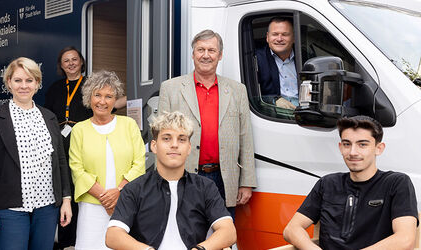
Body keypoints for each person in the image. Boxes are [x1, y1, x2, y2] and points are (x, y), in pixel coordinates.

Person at [158, 29, 256, 219]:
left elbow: (245, 137)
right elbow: (162, 137)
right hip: (183, 175)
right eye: (200, 50)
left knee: (223, 236)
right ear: (193, 54)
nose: (205, 55)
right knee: (185, 235)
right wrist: (161, 179)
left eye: (211, 50)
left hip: (224, 178)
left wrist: (246, 182)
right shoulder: (170, 88)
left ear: (220, 55)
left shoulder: (237, 90)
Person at [283, 116, 418, 249]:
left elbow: (405, 240)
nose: (353, 152)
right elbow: (291, 229)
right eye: (347, 144)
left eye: (362, 144)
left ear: (379, 148)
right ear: (341, 147)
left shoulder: (396, 183)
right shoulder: (328, 183)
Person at [106, 111, 236, 250]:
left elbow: (228, 232)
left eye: (181, 139)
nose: (174, 145)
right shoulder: (135, 189)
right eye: (167, 138)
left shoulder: (205, 187)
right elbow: (113, 235)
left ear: (189, 148)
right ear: (154, 146)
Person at [0, 57, 72, 249]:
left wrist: (66, 200)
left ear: (37, 84)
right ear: (9, 83)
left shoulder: (49, 117)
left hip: (47, 207)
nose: (24, 86)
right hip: (10, 208)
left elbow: (61, 162)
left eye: (29, 80)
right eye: (18, 80)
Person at [69, 70, 145, 249]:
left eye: (109, 96)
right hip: (92, 209)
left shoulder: (129, 125)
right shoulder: (79, 129)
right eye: (97, 95)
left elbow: (139, 163)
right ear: (89, 97)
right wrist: (105, 198)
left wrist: (119, 191)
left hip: (125, 203)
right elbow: (77, 169)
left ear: (115, 100)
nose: (102, 101)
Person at [44, 46, 91, 249]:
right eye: (66, 61)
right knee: (66, 195)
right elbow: (46, 117)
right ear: (61, 66)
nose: (71, 63)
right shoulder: (55, 88)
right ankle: (66, 243)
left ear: (81, 61)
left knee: (84, 195)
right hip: (60, 148)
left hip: (85, 146)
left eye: (74, 59)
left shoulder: (91, 85)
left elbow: (109, 105)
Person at [255, 16, 298, 109]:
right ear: (267, 37)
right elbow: (254, 94)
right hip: (275, 116)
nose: (279, 39)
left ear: (294, 37)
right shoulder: (256, 58)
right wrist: (274, 100)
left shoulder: (304, 57)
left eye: (285, 34)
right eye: (275, 34)